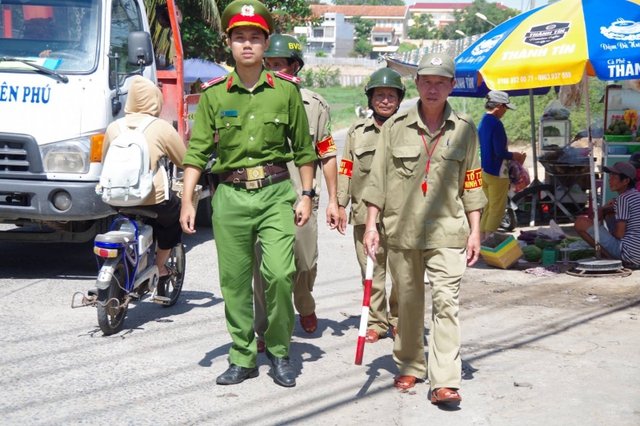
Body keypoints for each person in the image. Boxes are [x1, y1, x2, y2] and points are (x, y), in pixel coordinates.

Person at [179, 0, 317, 388]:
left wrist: (305, 194)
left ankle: (278, 351)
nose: (247, 45)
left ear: (265, 43)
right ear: (229, 44)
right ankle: (242, 356)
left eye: (254, 38)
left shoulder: (286, 92)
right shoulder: (214, 94)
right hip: (231, 196)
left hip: (275, 194)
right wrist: (188, 199)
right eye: (239, 37)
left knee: (279, 274)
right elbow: (197, 152)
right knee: (236, 282)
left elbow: (305, 150)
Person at [362, 53, 487, 404]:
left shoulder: (465, 128)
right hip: (402, 231)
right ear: (416, 85)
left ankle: (444, 379)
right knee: (411, 302)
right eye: (426, 81)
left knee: (447, 302)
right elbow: (377, 183)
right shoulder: (394, 128)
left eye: (440, 82)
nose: (433, 88)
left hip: (449, 231)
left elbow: (473, 183)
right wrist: (371, 226)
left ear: (451, 86)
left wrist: (475, 231)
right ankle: (410, 364)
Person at [252, 34, 340, 350]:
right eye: (269, 65)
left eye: (280, 65)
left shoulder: (314, 106)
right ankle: (264, 329)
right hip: (265, 199)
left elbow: (327, 154)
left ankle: (304, 302)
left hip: (303, 198)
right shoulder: (252, 102)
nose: (273, 71)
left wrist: (334, 200)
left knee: (304, 264)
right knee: (265, 269)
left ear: (294, 67)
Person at [337, 68, 404, 344]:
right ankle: (377, 322)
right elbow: (346, 168)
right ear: (370, 99)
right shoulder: (357, 131)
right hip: (365, 215)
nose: (385, 100)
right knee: (372, 272)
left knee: (402, 273)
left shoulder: (409, 130)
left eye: (391, 95)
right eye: (380, 95)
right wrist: (339, 204)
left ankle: (399, 319)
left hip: (401, 216)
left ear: (399, 99)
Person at [102, 76, 186, 279]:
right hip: (153, 198)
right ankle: (160, 266)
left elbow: (104, 160)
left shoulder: (114, 127)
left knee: (126, 215)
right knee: (172, 219)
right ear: (155, 100)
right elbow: (184, 160)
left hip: (116, 198)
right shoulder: (161, 127)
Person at [478, 90, 525, 241]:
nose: (505, 111)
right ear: (499, 106)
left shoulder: (484, 120)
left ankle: (480, 240)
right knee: (497, 209)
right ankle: (488, 241)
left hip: (485, 170)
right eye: (505, 107)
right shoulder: (496, 124)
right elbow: (499, 152)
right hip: (497, 172)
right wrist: (515, 156)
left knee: (487, 208)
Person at [575, 161, 640, 266]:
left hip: (629, 253)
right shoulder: (635, 195)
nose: (610, 180)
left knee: (580, 222)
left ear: (626, 181)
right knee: (610, 213)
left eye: (614, 177)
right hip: (637, 253)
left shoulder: (624, 198)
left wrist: (606, 234)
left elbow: (620, 234)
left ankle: (610, 258)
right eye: (610, 176)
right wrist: (603, 209)